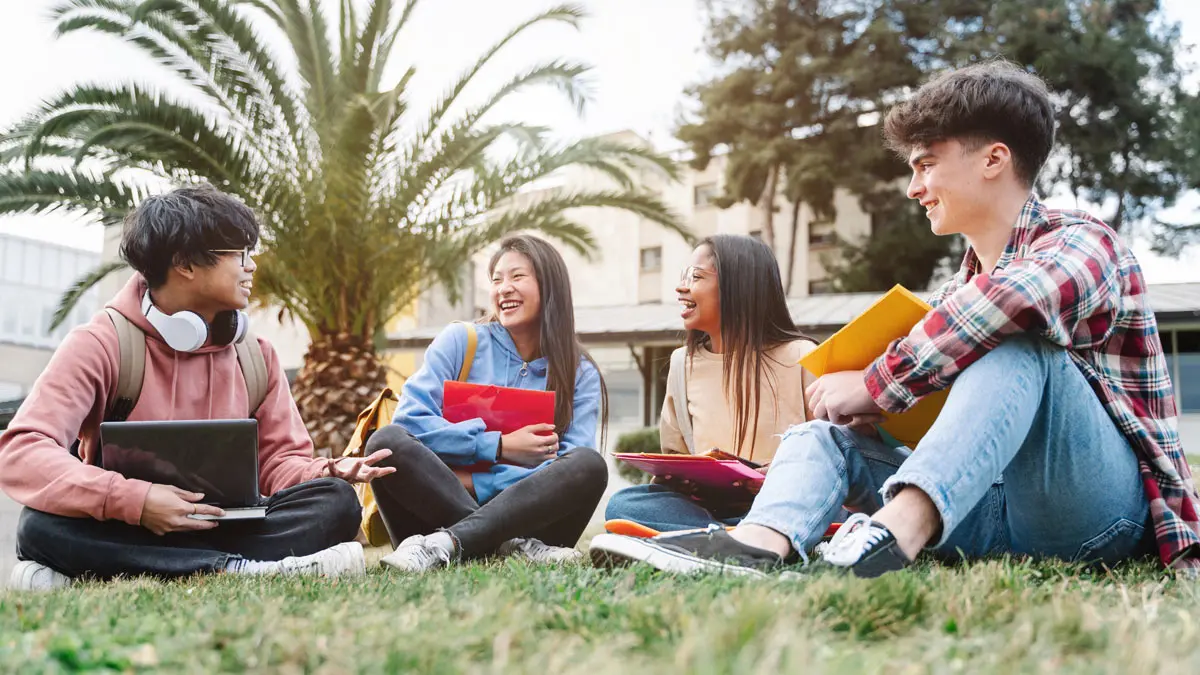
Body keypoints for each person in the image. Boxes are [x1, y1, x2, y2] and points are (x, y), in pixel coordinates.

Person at [589, 59, 1199, 577]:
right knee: (823, 436)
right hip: (987, 507)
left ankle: (892, 536)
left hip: (1095, 513)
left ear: (993, 159)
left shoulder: (1085, 242)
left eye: (926, 164)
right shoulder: (953, 293)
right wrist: (870, 409)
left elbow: (1015, 304)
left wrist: (878, 383)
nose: (914, 187)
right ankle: (759, 544)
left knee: (1016, 343)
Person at [1, 185, 393, 590]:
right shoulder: (100, 344)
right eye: (239, 255)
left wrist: (327, 471)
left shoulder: (257, 356)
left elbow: (279, 464)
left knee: (334, 501)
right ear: (186, 263)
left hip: (228, 523)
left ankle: (141, 569)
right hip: (129, 523)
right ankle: (241, 567)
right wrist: (136, 501)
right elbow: (23, 450)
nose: (251, 267)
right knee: (38, 525)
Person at [365, 234, 609, 574]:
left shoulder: (579, 372)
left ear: (549, 286)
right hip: (437, 511)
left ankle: (449, 543)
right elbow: (411, 423)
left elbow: (571, 470)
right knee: (385, 443)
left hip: (529, 523)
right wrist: (499, 447)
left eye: (517, 276)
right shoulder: (459, 341)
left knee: (589, 464)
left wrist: (470, 479)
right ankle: (505, 548)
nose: (503, 288)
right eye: (497, 279)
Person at [604, 234, 818, 533]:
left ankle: (718, 536)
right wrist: (676, 477)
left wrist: (780, 475)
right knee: (624, 504)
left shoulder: (802, 356)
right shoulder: (682, 364)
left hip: (785, 500)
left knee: (830, 507)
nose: (681, 288)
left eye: (696, 276)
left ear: (738, 286)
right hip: (710, 508)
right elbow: (675, 457)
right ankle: (735, 535)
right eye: (684, 276)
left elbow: (833, 454)